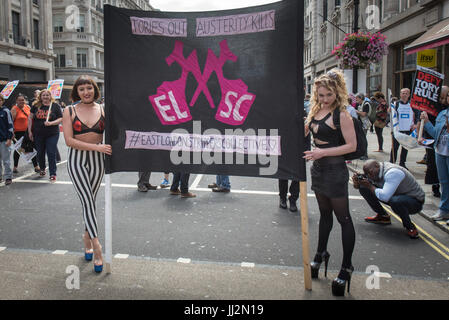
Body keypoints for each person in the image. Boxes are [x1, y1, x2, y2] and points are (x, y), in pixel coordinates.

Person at [304, 69, 357, 296]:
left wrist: (322, 153)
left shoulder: (342, 115)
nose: (324, 99)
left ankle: (346, 267)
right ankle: (320, 254)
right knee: (324, 215)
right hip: (318, 169)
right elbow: (309, 135)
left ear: (337, 93)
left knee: (343, 218)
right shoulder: (315, 111)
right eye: (320, 94)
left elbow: (351, 146)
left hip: (335, 171)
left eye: (328, 95)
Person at [62, 75, 112, 273]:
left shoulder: (103, 109)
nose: (86, 92)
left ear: (94, 89)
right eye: (81, 89)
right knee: (88, 201)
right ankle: (98, 248)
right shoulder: (69, 110)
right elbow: (69, 141)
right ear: (77, 92)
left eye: (89, 88)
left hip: (98, 161)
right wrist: (97, 148)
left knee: (90, 200)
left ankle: (86, 238)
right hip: (77, 160)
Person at [353, 160, 425, 239]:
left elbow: (385, 196)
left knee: (395, 201)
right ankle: (383, 216)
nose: (369, 175)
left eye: (370, 172)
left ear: (377, 166)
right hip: (396, 195)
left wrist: (370, 186)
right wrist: (357, 182)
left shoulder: (393, 173)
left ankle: (410, 227)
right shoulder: (375, 172)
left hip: (414, 201)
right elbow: (357, 187)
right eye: (367, 173)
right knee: (363, 187)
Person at [420, 104, 449, 224]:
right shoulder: (442, 114)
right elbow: (434, 133)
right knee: (444, 182)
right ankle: (444, 210)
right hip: (440, 152)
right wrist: (426, 122)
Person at [28, 89, 63, 182]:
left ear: (50, 96)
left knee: (51, 153)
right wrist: (29, 131)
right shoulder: (36, 106)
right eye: (43, 95)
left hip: (52, 134)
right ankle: (42, 168)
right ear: (40, 96)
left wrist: (51, 123)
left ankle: (52, 174)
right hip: (38, 133)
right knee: (40, 153)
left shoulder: (55, 106)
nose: (45, 97)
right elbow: (30, 118)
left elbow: (61, 118)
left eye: (47, 95)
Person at [389, 88, 419, 170]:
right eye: (402, 93)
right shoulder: (396, 104)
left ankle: (402, 163)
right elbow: (391, 117)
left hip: (408, 129)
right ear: (400, 94)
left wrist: (416, 124)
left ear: (409, 95)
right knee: (394, 147)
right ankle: (392, 162)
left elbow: (417, 115)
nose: (404, 95)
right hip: (398, 130)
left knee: (405, 148)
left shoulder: (412, 104)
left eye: (406, 93)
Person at [10, 94, 40, 173]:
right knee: (19, 149)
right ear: (16, 101)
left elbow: (31, 118)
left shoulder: (28, 107)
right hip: (17, 133)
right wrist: (12, 132)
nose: (21, 101)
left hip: (27, 131)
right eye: (19, 100)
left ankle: (36, 166)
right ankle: (15, 167)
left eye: (23, 100)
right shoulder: (14, 109)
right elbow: (10, 122)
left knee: (30, 148)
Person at [0, 93, 13, 185]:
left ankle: (8, 177)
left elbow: (10, 126)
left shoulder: (6, 111)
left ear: (2, 101)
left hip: (4, 139)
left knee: (6, 160)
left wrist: (9, 138)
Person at [355, 93, 371, 160]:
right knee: (360, 139)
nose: (356, 100)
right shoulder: (359, 104)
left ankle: (365, 155)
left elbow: (364, 114)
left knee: (363, 139)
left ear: (360, 98)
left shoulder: (366, 104)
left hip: (365, 124)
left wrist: (355, 111)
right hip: (360, 124)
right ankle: (361, 154)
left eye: (357, 98)